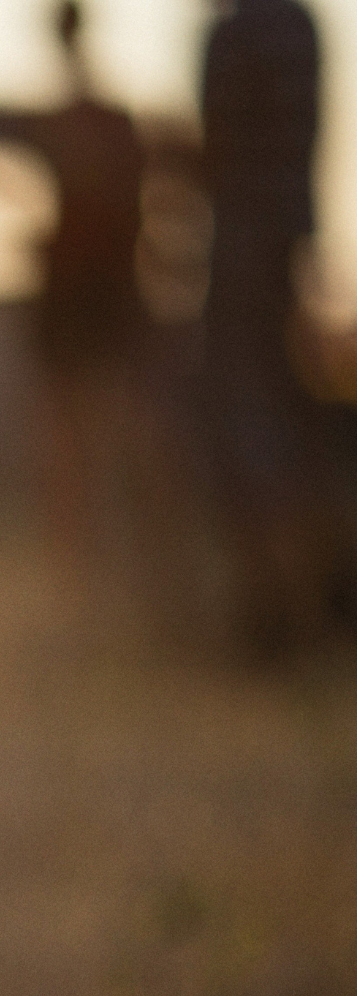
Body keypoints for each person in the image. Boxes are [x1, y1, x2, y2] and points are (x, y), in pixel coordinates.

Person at [0, 2, 174, 614]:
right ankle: (92, 586)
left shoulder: (96, 121)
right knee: (73, 442)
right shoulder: (87, 120)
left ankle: (127, 579)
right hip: (86, 296)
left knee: (111, 437)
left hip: (100, 297)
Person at [199, 0, 352, 654]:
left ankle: (273, 605)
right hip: (295, 240)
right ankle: (321, 588)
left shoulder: (233, 34)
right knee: (300, 417)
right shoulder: (302, 28)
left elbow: (217, 147)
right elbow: (314, 137)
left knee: (241, 418)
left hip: (240, 245)